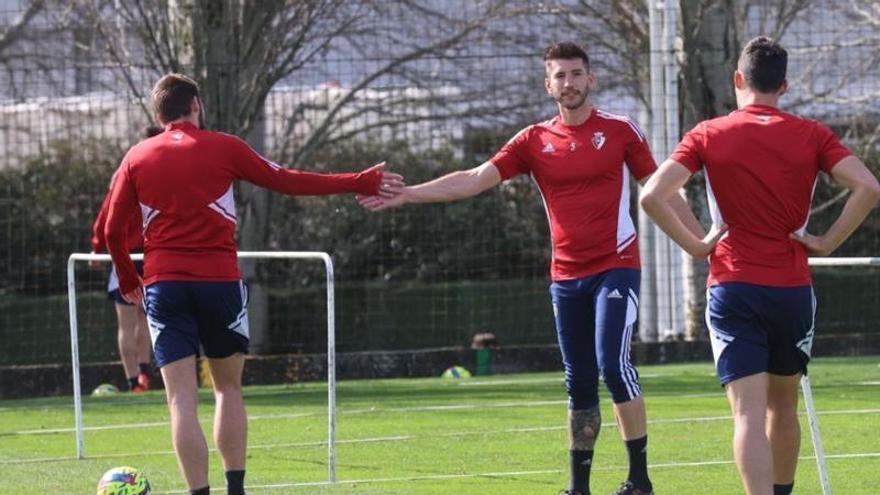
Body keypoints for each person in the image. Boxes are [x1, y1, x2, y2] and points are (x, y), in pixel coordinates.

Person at [359, 41, 706, 495]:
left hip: (616, 267)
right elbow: (475, 178)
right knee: (578, 379)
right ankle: (578, 487)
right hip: (565, 276)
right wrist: (410, 193)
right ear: (549, 85)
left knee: (614, 364)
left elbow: (663, 189)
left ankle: (639, 480)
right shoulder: (532, 140)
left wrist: (704, 243)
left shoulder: (622, 131)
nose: (569, 82)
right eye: (560, 76)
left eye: (576, 73)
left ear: (590, 79)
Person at [103, 73, 404, 495]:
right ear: (196, 106)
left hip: (164, 287)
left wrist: (130, 277)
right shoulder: (225, 147)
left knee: (180, 401)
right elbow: (289, 180)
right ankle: (236, 489)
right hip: (220, 284)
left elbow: (113, 231)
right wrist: (358, 180)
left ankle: (198, 492)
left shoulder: (136, 157)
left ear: (159, 114)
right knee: (227, 388)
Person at [640, 36, 880, 495]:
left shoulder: (709, 133)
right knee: (783, 408)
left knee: (746, 413)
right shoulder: (812, 134)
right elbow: (868, 187)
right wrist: (825, 242)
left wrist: (695, 245)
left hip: (733, 286)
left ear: (737, 80)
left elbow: (652, 195)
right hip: (791, 288)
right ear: (784, 85)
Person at [91, 125, 163, 393]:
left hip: (127, 254)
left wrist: (98, 247)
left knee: (128, 321)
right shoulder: (167, 170)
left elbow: (106, 213)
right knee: (147, 318)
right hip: (154, 253)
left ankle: (134, 380)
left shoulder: (126, 170)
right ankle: (143, 373)